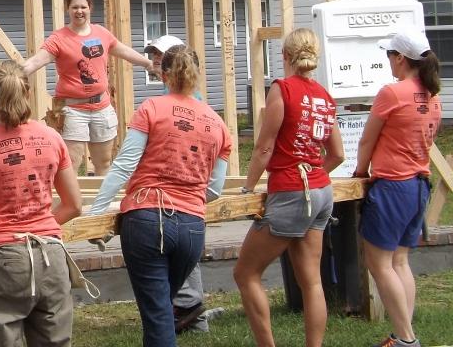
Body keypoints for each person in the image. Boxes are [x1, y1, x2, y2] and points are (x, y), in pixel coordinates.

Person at [87, 44, 231, 347]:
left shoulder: (151, 108)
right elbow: (214, 189)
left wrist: (96, 212)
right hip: (192, 227)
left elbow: (124, 165)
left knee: (158, 316)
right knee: (161, 310)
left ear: (163, 75)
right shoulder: (218, 125)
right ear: (198, 75)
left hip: (147, 220)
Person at [0, 60, 82, 347]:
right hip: (50, 255)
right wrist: (42, 228)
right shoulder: (52, 137)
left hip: (2, 260)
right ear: (27, 91)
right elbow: (74, 204)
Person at [232, 28, 345, 347]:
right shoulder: (324, 95)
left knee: (245, 273)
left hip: (293, 191)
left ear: (284, 56)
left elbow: (264, 148)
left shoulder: (282, 89)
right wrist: (314, 173)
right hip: (321, 192)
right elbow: (337, 154)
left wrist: (248, 188)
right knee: (311, 281)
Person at [354, 30, 442, 347]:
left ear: (400, 58)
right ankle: (404, 335)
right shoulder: (432, 95)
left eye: (389, 56)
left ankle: (406, 339)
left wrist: (360, 170)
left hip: (392, 185)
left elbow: (367, 139)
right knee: (400, 262)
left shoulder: (392, 92)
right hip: (419, 185)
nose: (388, 62)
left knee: (379, 264)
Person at [22, 0, 154, 176]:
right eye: (74, 7)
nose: (79, 11)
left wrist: (148, 63)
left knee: (104, 162)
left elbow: (124, 51)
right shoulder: (59, 38)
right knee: (72, 164)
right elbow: (36, 61)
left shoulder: (101, 33)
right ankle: (73, 205)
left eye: (83, 7)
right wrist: (15, 74)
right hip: (73, 110)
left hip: (102, 108)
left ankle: (101, 205)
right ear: (68, 9)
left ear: (90, 8)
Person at [144, 34, 212, 334]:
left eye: (160, 57)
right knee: (184, 255)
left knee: (184, 257)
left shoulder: (187, 102)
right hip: (183, 196)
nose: (155, 62)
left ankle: (192, 313)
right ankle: (189, 315)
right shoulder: (167, 95)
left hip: (180, 195)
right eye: (153, 56)